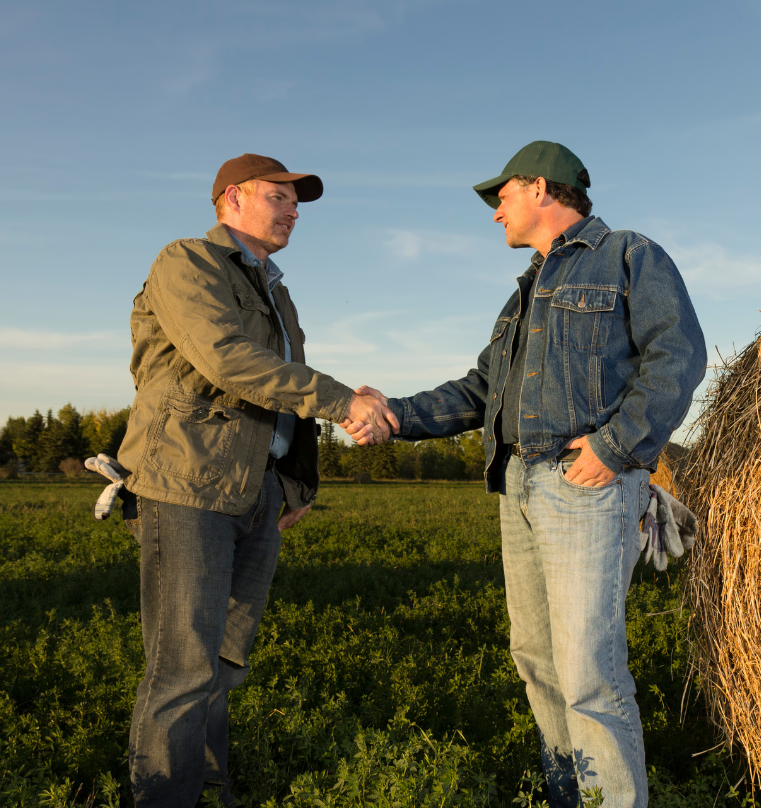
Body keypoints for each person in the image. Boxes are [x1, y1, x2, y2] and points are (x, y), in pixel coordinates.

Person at [344, 141, 706, 807]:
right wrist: (393, 413)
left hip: (585, 486)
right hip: (516, 486)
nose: (494, 214)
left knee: (588, 674)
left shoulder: (628, 254)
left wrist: (616, 446)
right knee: (537, 663)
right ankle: (572, 798)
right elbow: (481, 390)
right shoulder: (524, 295)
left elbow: (677, 355)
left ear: (541, 188)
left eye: (501, 196)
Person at [116, 153, 398, 807]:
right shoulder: (186, 262)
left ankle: (207, 787)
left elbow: (285, 391)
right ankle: (163, 798)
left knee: (222, 663)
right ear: (230, 199)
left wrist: (294, 481)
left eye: (296, 200)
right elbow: (228, 360)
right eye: (280, 196)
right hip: (187, 484)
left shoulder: (278, 292)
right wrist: (341, 400)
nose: (294, 209)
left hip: (254, 492)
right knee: (182, 667)